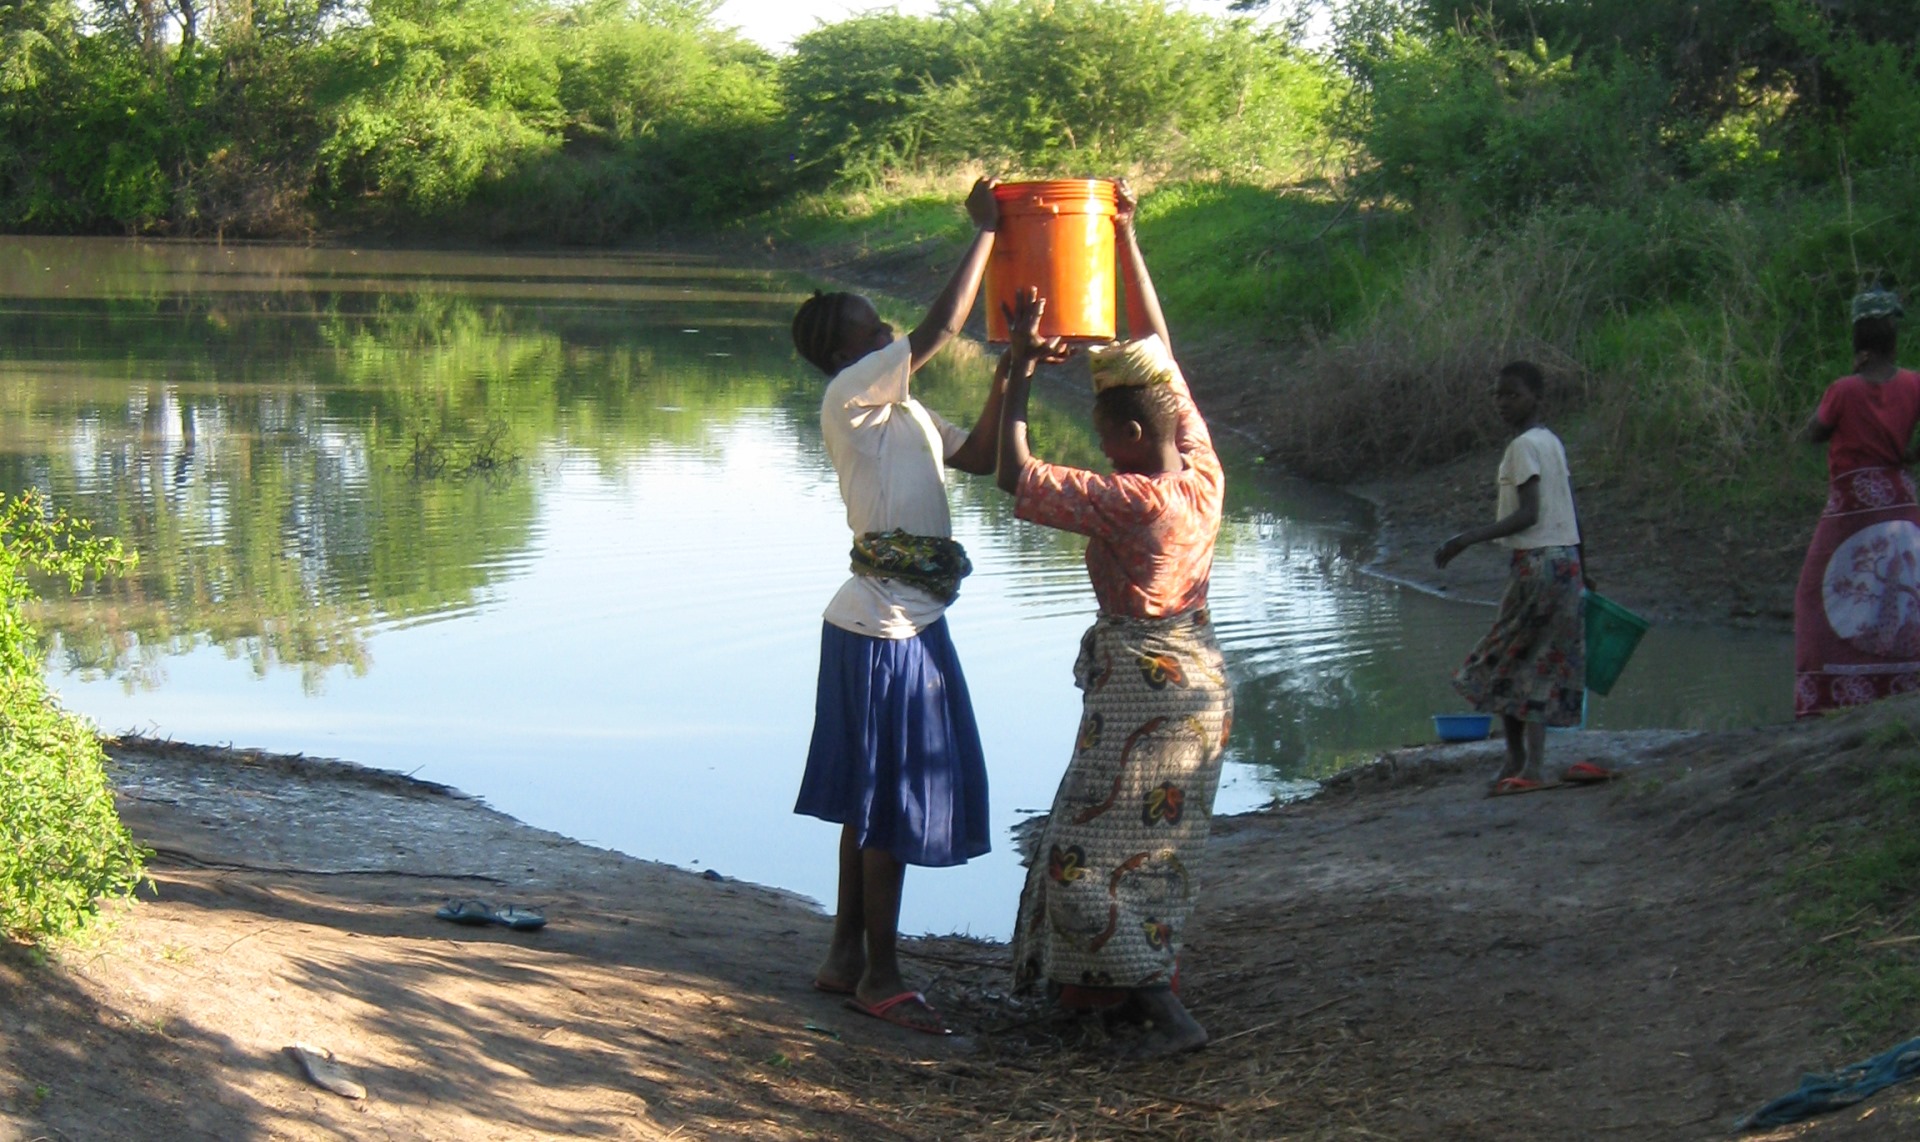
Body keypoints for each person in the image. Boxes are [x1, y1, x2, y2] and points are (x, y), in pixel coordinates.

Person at [995, 186, 1234, 1061]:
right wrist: (1127, 240)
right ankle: (1111, 1000)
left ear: (1132, 433)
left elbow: (1012, 474)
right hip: (1198, 676)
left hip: (1146, 692)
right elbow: (1160, 354)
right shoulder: (1199, 468)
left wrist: (1018, 365)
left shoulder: (1135, 501)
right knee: (1151, 848)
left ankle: (1166, 1020)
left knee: (1078, 854)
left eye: (1103, 434)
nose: (1098, 448)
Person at [790, 177, 1007, 1036]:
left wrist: (1017, 368)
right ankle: (882, 973)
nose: (887, 332)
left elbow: (985, 457)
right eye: (871, 326)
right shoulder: (851, 396)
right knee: (887, 802)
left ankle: (847, 958)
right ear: (846, 351)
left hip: (898, 618)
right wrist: (984, 235)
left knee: (872, 801)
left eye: (884, 324)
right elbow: (942, 328)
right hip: (885, 624)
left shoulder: (901, 411)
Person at [1434, 361, 1593, 794]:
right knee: (1532, 661)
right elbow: (1570, 511)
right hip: (1564, 564)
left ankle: (1527, 763)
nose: (1504, 403)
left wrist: (1466, 538)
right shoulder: (1551, 443)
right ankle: (1521, 760)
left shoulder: (1523, 447)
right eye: (1499, 395)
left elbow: (1530, 513)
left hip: (1538, 564)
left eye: (1513, 394)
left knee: (1513, 661)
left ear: (1536, 398)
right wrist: (1586, 571)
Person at [1794, 289, 1920, 716]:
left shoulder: (1844, 389)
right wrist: (1905, 455)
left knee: (1816, 597)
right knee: (1901, 598)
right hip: (1901, 504)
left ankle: (1827, 694)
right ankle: (1904, 688)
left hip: (1852, 508)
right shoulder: (1914, 383)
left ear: (1859, 341)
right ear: (1893, 338)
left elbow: (1814, 431)